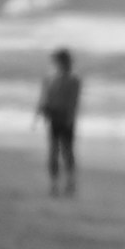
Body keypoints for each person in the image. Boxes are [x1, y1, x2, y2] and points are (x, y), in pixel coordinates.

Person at [35, 47, 83, 198]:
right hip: (54, 116)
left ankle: (70, 181)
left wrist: (70, 118)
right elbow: (44, 97)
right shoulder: (50, 78)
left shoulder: (73, 79)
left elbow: (74, 101)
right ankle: (54, 183)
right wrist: (40, 110)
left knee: (67, 151)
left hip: (66, 116)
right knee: (53, 151)